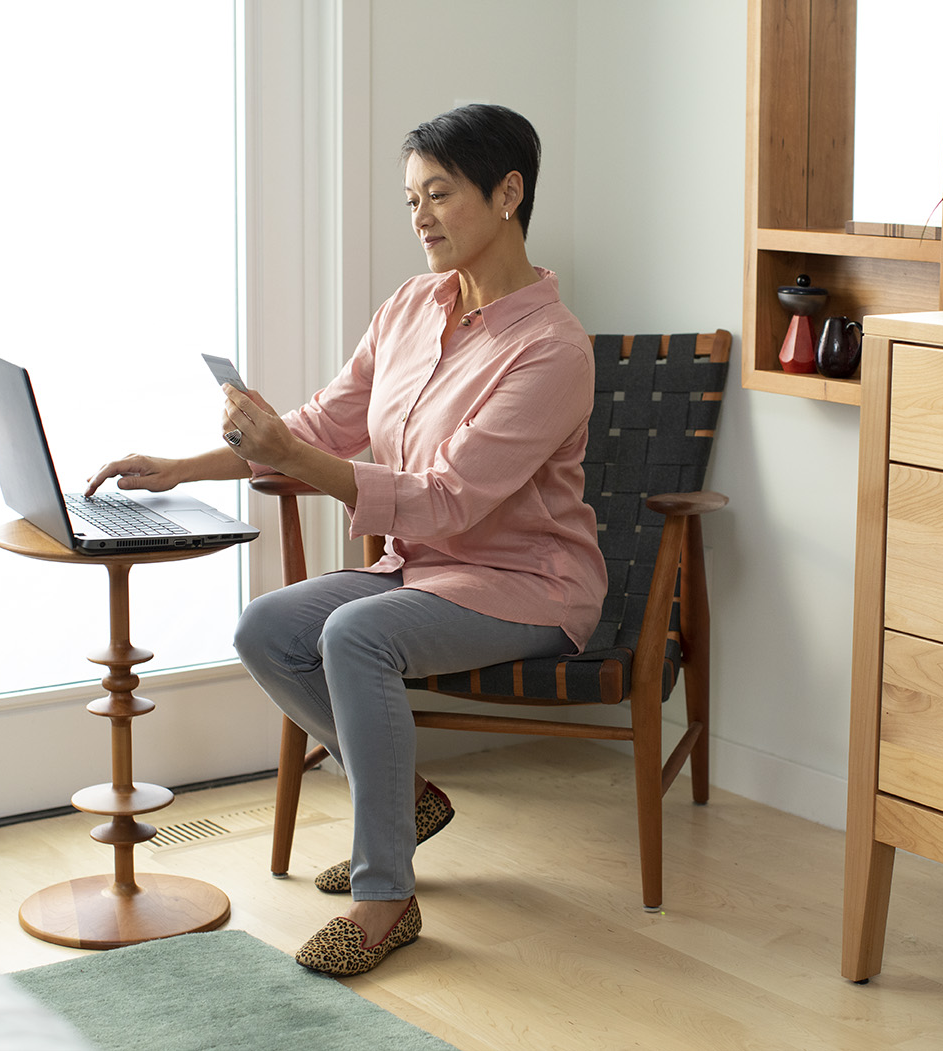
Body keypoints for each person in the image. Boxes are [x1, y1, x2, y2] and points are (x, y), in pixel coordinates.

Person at [84, 104, 606, 976]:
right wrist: (183, 467)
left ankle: (384, 897)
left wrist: (289, 454)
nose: (421, 217)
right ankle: (404, 798)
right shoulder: (410, 306)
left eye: (440, 194)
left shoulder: (553, 350)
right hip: (421, 575)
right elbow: (327, 422)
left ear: (508, 192)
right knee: (266, 627)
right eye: (410, 200)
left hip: (527, 584)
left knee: (353, 632)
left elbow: (445, 503)